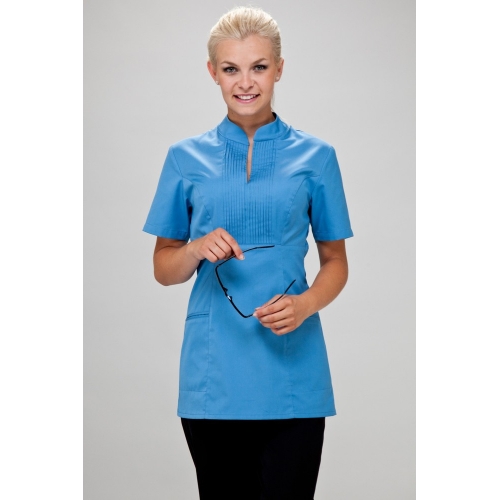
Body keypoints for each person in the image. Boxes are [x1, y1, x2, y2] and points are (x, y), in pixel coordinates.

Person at [143, 6, 353, 499]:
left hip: (292, 365)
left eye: (258, 66)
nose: (245, 82)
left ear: (279, 68)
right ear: (212, 72)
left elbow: (336, 262)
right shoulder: (184, 158)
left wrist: (306, 304)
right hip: (214, 369)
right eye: (231, 68)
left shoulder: (317, 157)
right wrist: (196, 248)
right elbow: (163, 268)